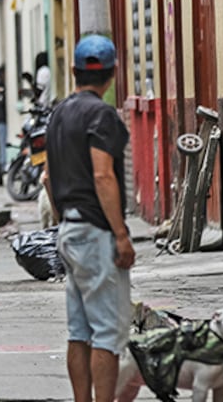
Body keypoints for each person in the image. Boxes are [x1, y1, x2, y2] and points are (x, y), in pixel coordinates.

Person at [43, 35, 134, 402]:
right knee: (107, 334)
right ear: (113, 74)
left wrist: (63, 219)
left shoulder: (59, 113)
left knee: (78, 332)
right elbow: (102, 174)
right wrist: (121, 234)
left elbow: (48, 177)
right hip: (96, 233)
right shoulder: (102, 115)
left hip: (69, 229)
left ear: (74, 72)